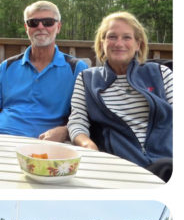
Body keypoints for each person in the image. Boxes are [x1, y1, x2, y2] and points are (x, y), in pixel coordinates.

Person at [68, 11, 173, 181]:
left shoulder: (161, 74)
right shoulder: (87, 79)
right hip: (120, 165)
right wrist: (88, 146)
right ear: (102, 43)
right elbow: (77, 121)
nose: (119, 43)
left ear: (138, 44)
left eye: (126, 37)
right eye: (112, 37)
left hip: (168, 161)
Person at [0, 1, 87, 140]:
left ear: (58, 27)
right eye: (33, 22)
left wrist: (66, 131)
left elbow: (86, 117)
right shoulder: (7, 66)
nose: (40, 27)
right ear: (26, 28)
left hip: (42, 146)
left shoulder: (76, 69)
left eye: (48, 22)